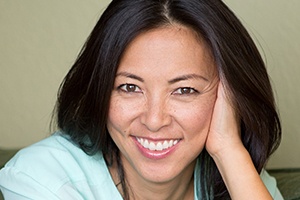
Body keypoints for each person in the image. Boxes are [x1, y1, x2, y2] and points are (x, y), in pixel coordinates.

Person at [0, 0, 283, 199]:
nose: (154, 120)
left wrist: (228, 149)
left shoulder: (239, 177)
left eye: (184, 90)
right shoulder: (40, 179)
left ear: (227, 98)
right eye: (129, 87)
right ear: (99, 90)